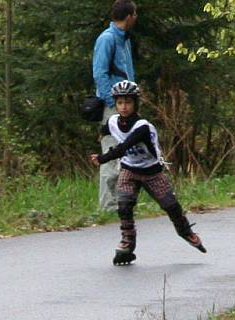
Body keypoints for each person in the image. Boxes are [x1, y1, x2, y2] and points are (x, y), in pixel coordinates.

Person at [89, 80, 206, 265]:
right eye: (119, 103)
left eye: (128, 102)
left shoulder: (142, 126)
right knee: (124, 206)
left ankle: (186, 233)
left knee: (170, 206)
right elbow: (104, 129)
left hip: (152, 172)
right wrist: (90, 110)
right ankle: (127, 243)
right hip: (129, 170)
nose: (124, 107)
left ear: (136, 104)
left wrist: (102, 158)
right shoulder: (113, 120)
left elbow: (123, 147)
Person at [93, 0, 137, 212]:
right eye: (135, 14)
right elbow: (99, 73)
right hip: (112, 107)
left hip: (126, 105)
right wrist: (113, 103)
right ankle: (107, 206)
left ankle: (122, 202)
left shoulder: (125, 40)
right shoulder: (107, 39)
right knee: (110, 153)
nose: (136, 18)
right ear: (128, 17)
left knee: (126, 153)